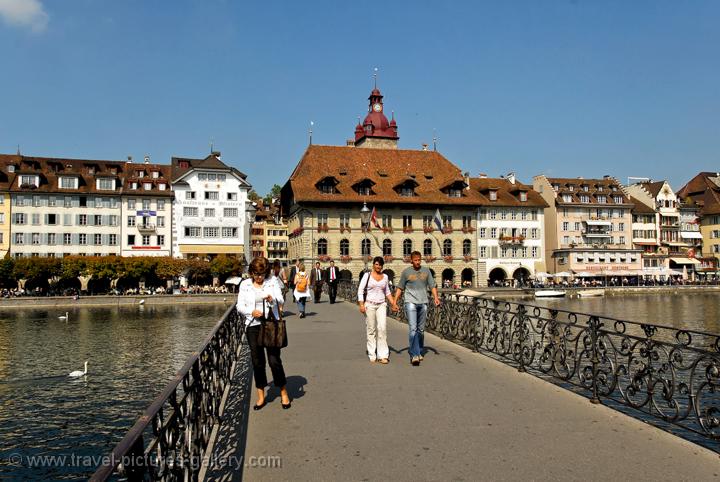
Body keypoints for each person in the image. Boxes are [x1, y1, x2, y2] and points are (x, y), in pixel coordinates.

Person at [236, 257, 292, 410]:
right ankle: (261, 395)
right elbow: (239, 306)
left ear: (266, 272)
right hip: (252, 325)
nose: (259, 277)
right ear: (251, 272)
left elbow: (280, 299)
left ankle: (283, 391)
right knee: (257, 361)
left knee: (274, 360)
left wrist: (271, 298)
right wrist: (250, 311)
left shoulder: (272, 281)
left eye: (261, 274)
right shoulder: (245, 284)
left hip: (270, 324)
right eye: (256, 274)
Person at [394, 251, 440, 366]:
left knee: (421, 330)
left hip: (423, 302)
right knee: (413, 329)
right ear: (411, 261)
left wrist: (436, 298)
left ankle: (419, 350)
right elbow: (400, 288)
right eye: (415, 260)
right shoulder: (406, 272)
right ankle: (414, 355)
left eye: (419, 260)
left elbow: (432, 285)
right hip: (410, 302)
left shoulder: (426, 271)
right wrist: (394, 302)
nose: (418, 262)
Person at [358, 257, 398, 364]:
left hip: (381, 305)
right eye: (376, 264)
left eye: (380, 265)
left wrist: (393, 303)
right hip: (369, 305)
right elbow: (360, 290)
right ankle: (372, 353)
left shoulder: (385, 277)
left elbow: (387, 292)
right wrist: (361, 304)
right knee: (371, 329)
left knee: (382, 328)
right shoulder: (367, 276)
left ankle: (383, 355)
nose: (378, 266)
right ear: (373, 265)